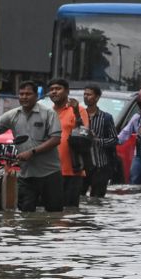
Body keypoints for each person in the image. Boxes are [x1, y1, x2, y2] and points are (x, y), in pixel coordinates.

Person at [0, 81, 63, 212]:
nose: (24, 97)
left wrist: (31, 152)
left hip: (50, 173)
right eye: (21, 94)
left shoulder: (49, 114)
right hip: (26, 174)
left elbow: (55, 140)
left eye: (28, 94)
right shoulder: (12, 115)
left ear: (36, 96)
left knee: (54, 213)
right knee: (25, 214)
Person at [46, 78, 90, 209]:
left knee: (69, 213)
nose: (54, 92)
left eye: (58, 89)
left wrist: (76, 112)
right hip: (49, 171)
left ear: (67, 92)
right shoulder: (47, 112)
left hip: (71, 170)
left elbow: (84, 133)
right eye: (52, 89)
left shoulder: (79, 110)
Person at [80, 84, 117, 197]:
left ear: (97, 97)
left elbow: (114, 139)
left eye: (89, 94)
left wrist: (97, 140)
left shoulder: (106, 118)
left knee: (97, 200)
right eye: (84, 94)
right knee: (78, 198)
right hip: (81, 166)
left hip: (100, 165)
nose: (86, 97)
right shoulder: (78, 116)